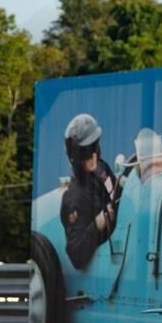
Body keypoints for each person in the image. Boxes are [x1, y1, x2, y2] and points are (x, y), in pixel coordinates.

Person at [60, 113, 118, 269]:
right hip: (107, 263)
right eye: (87, 151)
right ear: (76, 157)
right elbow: (76, 255)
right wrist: (97, 225)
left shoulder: (101, 168)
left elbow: (117, 192)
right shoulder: (75, 198)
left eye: (95, 146)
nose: (93, 156)